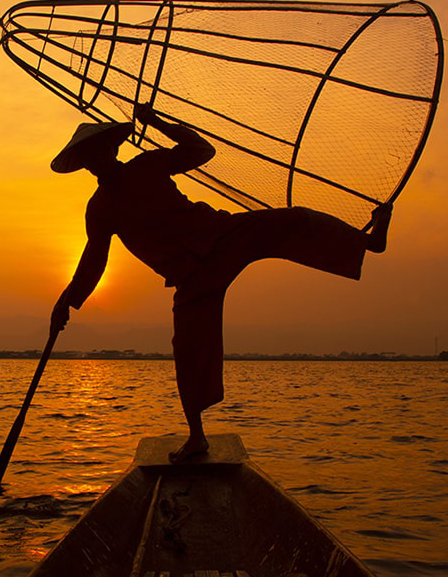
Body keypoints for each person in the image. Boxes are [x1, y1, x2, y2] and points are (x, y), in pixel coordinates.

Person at [49, 103, 392, 462]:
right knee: (188, 347)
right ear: (86, 164)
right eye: (90, 157)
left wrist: (158, 122)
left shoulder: (147, 164)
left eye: (99, 151)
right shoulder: (101, 207)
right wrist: (66, 300)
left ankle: (368, 242)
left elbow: (201, 151)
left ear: (112, 149)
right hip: (191, 276)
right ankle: (197, 436)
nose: (96, 160)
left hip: (223, 236)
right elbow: (93, 262)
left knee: (294, 221)